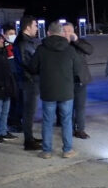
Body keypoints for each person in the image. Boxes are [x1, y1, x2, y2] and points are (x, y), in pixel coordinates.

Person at [29, 22, 80, 159]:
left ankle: (46, 151)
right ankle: (67, 150)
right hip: (66, 91)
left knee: (47, 121)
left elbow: (33, 68)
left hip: (48, 90)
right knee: (66, 120)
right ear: (62, 33)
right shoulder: (69, 49)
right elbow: (77, 70)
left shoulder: (41, 49)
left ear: (48, 33)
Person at [15, 16, 43, 150]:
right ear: (28, 27)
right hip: (29, 81)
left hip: (28, 81)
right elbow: (29, 64)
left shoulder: (25, 41)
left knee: (29, 112)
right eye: (35, 25)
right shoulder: (23, 43)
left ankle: (30, 137)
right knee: (28, 112)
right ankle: (28, 141)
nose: (37, 28)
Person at [63, 22, 93, 139]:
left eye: (68, 31)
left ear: (73, 31)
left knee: (80, 107)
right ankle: (69, 129)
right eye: (64, 31)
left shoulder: (79, 42)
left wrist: (76, 40)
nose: (66, 33)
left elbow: (90, 50)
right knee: (67, 108)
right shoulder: (60, 44)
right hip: (66, 81)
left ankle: (80, 129)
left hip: (80, 80)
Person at [2, 24, 23, 133]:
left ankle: (17, 120)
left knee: (19, 100)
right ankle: (13, 122)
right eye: (10, 34)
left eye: (14, 33)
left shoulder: (16, 44)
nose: (13, 35)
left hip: (18, 75)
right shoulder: (3, 46)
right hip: (10, 77)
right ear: (4, 35)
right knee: (14, 101)